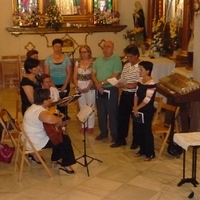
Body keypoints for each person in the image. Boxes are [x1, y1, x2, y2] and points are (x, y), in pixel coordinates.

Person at [23, 88, 76, 174]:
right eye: (49, 98)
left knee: (56, 135)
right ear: (44, 101)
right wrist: (59, 119)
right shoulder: (39, 111)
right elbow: (50, 119)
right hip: (35, 141)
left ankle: (56, 158)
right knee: (65, 139)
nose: (51, 99)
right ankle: (66, 165)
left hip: (28, 138)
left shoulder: (33, 107)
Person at [110, 44, 140, 148]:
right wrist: (118, 83)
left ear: (136, 55)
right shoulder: (127, 65)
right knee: (122, 117)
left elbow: (137, 83)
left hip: (135, 96)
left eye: (130, 56)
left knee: (135, 119)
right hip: (125, 94)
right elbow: (122, 78)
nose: (128, 59)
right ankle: (121, 139)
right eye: (127, 56)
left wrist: (124, 85)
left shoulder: (141, 67)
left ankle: (136, 141)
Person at [91, 40, 122, 142]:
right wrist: (97, 84)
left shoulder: (116, 59)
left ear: (112, 48)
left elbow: (115, 75)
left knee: (112, 112)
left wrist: (102, 84)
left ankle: (114, 134)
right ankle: (103, 132)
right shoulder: (98, 59)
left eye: (108, 47)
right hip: (99, 89)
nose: (106, 49)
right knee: (101, 112)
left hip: (111, 89)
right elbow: (93, 74)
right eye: (104, 47)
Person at [133, 61, 156, 161]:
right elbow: (136, 94)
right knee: (139, 130)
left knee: (146, 131)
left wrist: (137, 108)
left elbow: (147, 99)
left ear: (147, 71)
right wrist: (134, 106)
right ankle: (142, 150)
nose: (139, 71)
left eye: (141, 69)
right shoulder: (140, 80)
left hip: (146, 110)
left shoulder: (152, 83)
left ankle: (150, 152)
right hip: (138, 108)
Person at [44, 38, 72, 120]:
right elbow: (46, 74)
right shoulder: (48, 59)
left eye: (60, 47)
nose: (58, 49)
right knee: (53, 104)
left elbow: (69, 73)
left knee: (63, 104)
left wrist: (64, 86)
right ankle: (54, 121)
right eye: (56, 46)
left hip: (64, 84)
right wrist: (53, 86)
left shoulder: (66, 58)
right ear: (53, 47)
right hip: (52, 85)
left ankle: (63, 122)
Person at [73, 45, 95, 134]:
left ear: (89, 52)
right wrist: (77, 86)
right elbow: (74, 76)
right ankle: (84, 125)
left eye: (85, 52)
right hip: (79, 85)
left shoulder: (93, 62)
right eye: (82, 52)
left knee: (90, 106)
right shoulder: (77, 63)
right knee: (82, 106)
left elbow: (94, 76)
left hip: (90, 86)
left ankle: (90, 126)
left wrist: (88, 87)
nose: (84, 54)